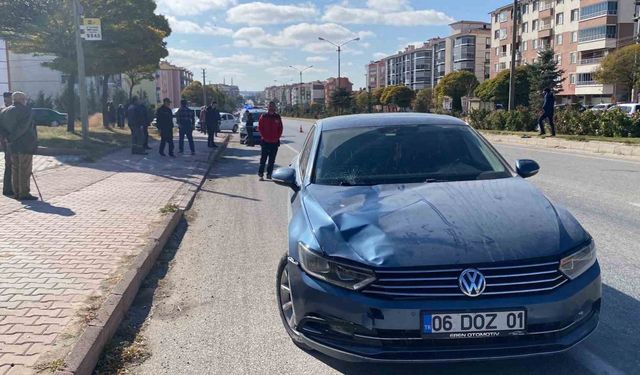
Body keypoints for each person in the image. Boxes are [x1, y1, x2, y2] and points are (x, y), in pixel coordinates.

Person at [0, 92, 38, 200]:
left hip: (11, 145)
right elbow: (23, 127)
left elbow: (1, 128)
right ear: (21, 99)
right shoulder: (26, 110)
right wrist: (12, 137)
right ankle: (24, 193)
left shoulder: (4, 111)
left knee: (15, 169)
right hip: (25, 144)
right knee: (25, 169)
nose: (25, 101)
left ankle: (16, 192)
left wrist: (8, 138)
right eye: (25, 99)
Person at [258, 102, 283, 181]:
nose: (271, 108)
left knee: (272, 160)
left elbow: (280, 128)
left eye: (273, 106)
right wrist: (264, 137)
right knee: (263, 159)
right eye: (270, 106)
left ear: (275, 108)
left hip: (274, 142)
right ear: (268, 107)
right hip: (265, 141)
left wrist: (277, 137)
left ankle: (269, 174)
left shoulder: (277, 117)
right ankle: (261, 174)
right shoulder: (264, 116)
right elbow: (260, 128)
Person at [1, 92, 14, 197]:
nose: (7, 102)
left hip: (11, 140)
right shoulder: (3, 111)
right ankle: (8, 189)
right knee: (9, 164)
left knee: (11, 164)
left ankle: (11, 188)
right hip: (7, 141)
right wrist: (5, 138)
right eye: (6, 100)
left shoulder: (10, 111)